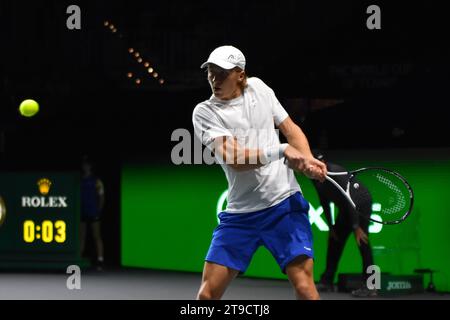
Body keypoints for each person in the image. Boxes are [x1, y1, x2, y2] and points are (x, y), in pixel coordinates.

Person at [192, 45, 327, 300]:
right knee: (207, 296)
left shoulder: (259, 88)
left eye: (222, 73)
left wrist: (307, 160)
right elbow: (234, 158)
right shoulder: (205, 112)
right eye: (210, 71)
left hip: (283, 205)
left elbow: (290, 128)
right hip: (240, 215)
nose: (213, 78)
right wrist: (283, 151)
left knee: (305, 288)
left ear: (240, 75)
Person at [311, 152, 377, 297]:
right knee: (334, 240)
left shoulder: (336, 172)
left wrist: (356, 227)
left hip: (360, 204)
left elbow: (350, 199)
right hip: (346, 208)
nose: (318, 167)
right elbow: (324, 201)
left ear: (324, 162)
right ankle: (327, 281)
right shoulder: (314, 176)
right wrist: (331, 226)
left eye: (320, 163)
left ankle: (371, 286)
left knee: (362, 242)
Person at [80, 156, 105, 271]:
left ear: (90, 166)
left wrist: (99, 209)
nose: (85, 166)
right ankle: (78, 259)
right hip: (82, 212)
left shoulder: (96, 180)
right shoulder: (79, 179)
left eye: (87, 164)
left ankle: (100, 260)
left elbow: (101, 195)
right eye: (84, 164)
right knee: (81, 237)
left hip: (93, 211)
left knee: (96, 236)